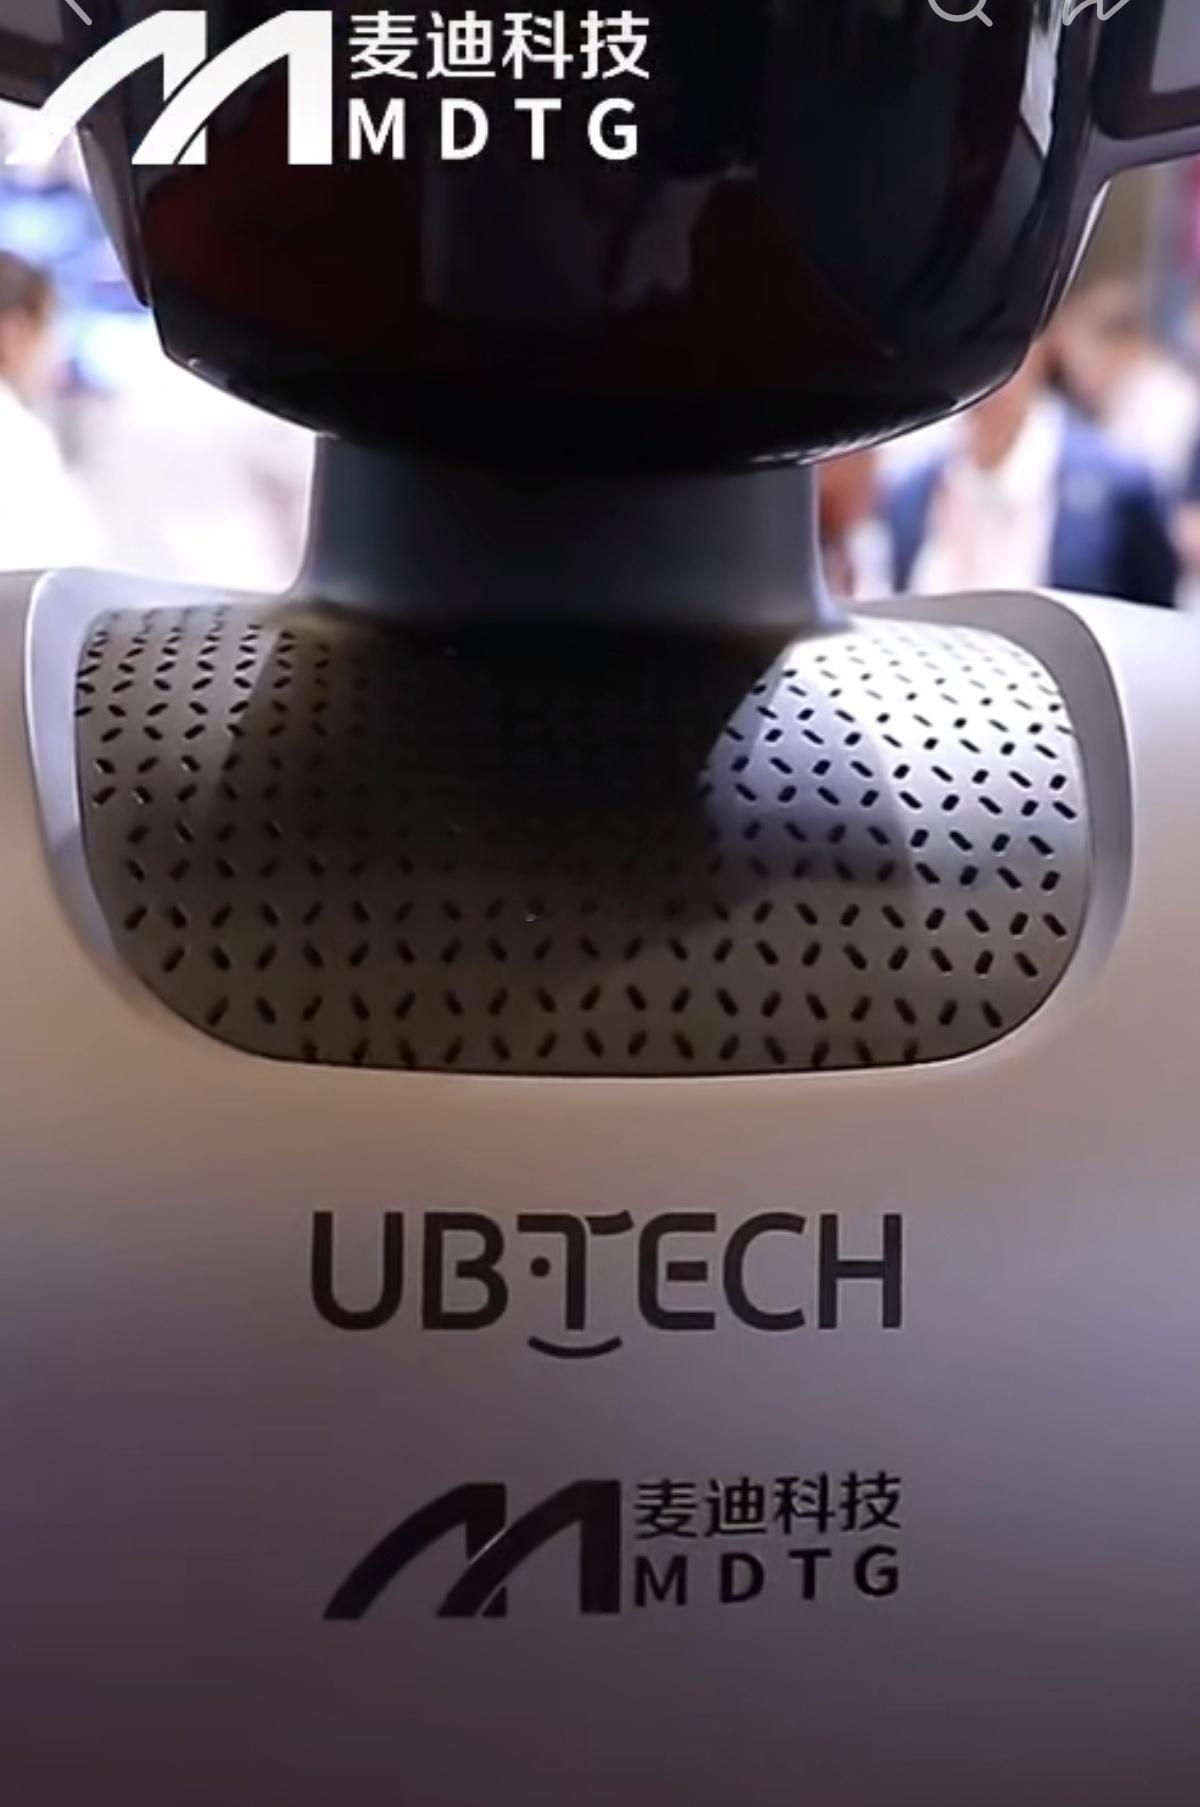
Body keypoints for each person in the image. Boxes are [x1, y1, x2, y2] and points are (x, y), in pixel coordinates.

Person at [887, 341, 1179, 607]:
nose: (982, 383)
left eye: (995, 358)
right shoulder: (912, 493)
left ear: (1036, 352)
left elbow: (1153, 609)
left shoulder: (1114, 485)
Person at [0, 248, 101, 569]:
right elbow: (57, 573)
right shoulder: (17, 437)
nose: (55, 353)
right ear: (13, 333)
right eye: (50, 328)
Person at [1054, 279, 1200, 496]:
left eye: (1081, 354)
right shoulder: (1112, 399)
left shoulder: (1166, 401)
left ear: (1121, 344)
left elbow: (1152, 491)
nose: (1071, 371)